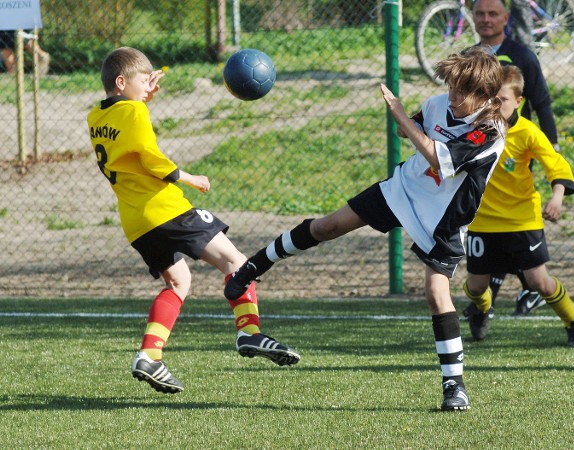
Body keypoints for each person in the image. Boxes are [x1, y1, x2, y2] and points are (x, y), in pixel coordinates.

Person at [225, 47, 508, 411]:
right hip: (404, 189)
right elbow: (414, 131)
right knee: (328, 226)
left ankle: (455, 387)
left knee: (436, 293)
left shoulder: (490, 131)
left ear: (484, 96)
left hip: (444, 218)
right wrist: (406, 122)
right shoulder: (440, 103)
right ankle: (252, 267)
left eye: (461, 91)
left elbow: (440, 157)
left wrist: (401, 116)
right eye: (450, 86)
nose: (452, 96)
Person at [87, 47, 299, 394]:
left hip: (136, 220)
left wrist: (142, 99)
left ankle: (149, 355)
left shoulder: (96, 116)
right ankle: (249, 333)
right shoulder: (135, 112)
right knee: (236, 262)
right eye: (144, 79)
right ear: (122, 81)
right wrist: (190, 177)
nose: (149, 84)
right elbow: (151, 157)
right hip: (167, 209)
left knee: (178, 283)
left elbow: (127, 135)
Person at [462, 65, 574, 348]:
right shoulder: (473, 128)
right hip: (482, 220)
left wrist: (556, 197)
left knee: (538, 281)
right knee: (475, 287)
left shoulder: (528, 133)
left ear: (518, 101)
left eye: (502, 100)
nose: (495, 106)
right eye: (490, 99)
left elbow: (556, 166)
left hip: (522, 219)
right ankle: (481, 310)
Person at [473, 0, 560, 315]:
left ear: (506, 18)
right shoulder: (469, 58)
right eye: (480, 13)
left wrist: (552, 148)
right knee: (485, 217)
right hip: (476, 154)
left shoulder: (523, 55)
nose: (486, 19)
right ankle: (494, 294)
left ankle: (528, 288)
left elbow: (542, 103)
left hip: (515, 155)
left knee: (514, 217)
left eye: (493, 13)